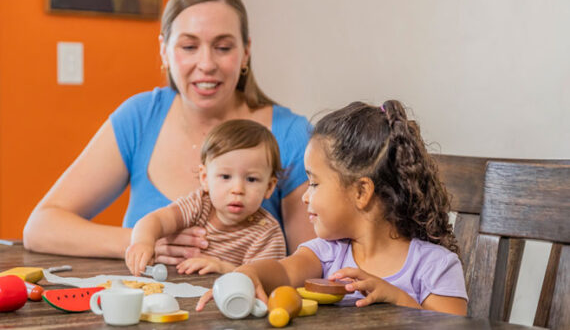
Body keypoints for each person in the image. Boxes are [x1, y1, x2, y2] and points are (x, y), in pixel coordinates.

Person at [23, 0, 314, 261]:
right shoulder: (140, 117)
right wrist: (145, 242)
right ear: (164, 50)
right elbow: (41, 227)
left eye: (223, 47)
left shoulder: (291, 135)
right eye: (189, 46)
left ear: (245, 52)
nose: (206, 63)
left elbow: (314, 260)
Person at [197, 101, 468, 316]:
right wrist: (249, 274)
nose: (305, 197)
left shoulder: (435, 266)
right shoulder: (327, 254)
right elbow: (283, 271)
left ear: (361, 192)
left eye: (314, 183)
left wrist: (397, 298)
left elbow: (452, 326)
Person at [126, 119, 287, 276]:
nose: (237, 189)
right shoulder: (200, 205)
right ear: (205, 178)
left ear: (269, 186)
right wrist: (143, 242)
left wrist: (223, 268)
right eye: (225, 176)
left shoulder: (267, 233)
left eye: (251, 179)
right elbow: (157, 220)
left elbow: (265, 282)